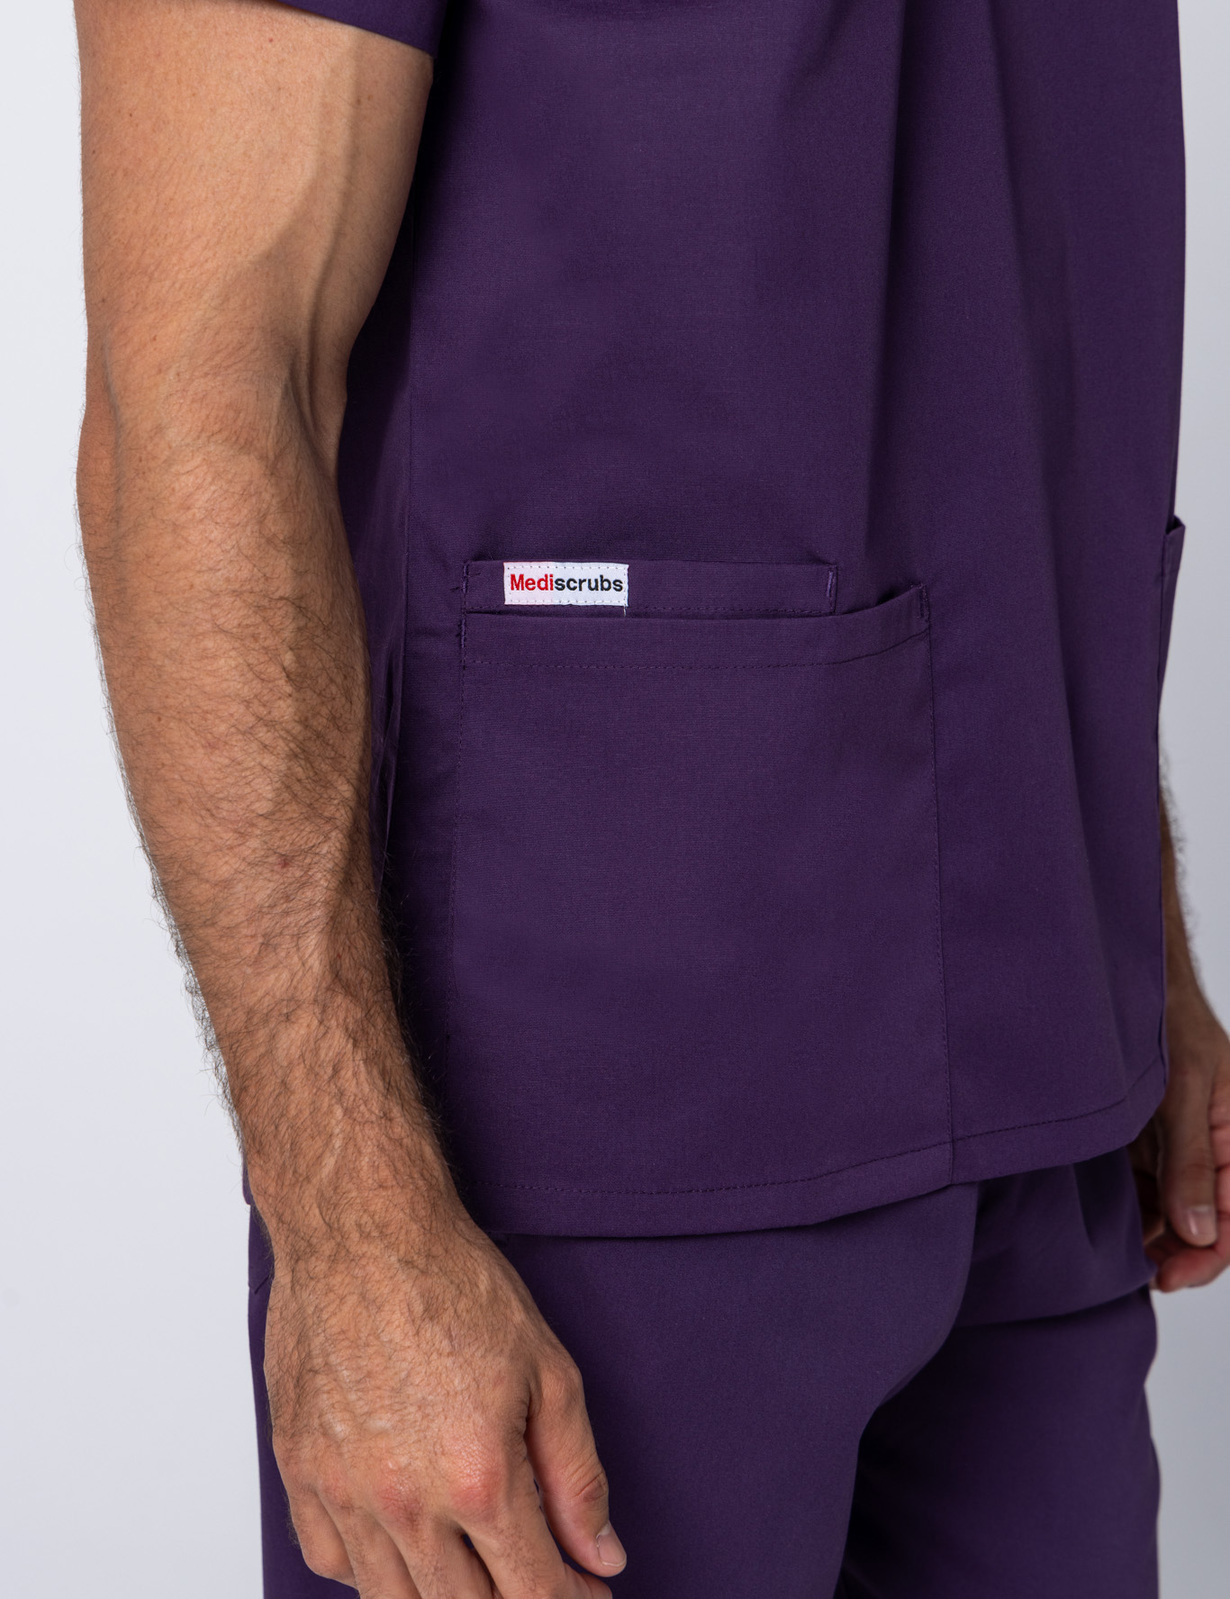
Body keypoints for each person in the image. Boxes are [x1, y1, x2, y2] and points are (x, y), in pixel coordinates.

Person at [74, 0, 1229, 1594]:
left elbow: (986, 311)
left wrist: (1132, 925)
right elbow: (199, 392)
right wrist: (353, 1233)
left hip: (1045, 1097)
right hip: (581, 1154)